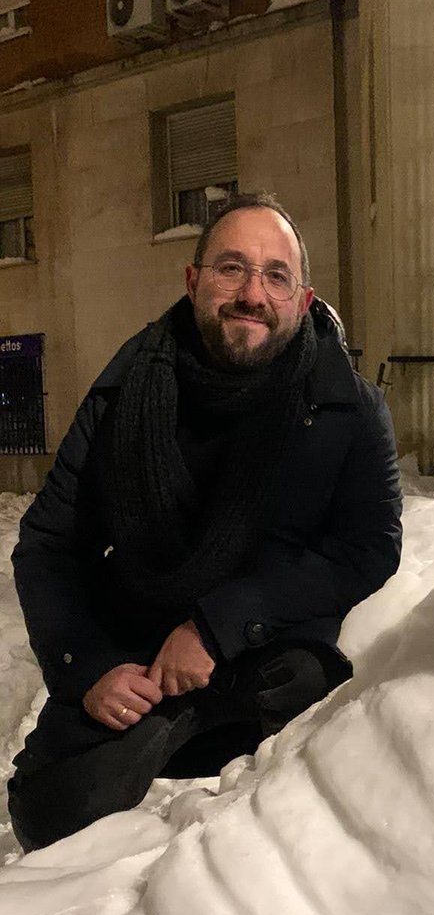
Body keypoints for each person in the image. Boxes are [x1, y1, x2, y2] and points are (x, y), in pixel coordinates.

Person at [7, 192, 402, 852]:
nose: (253, 292)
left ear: (301, 301)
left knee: (308, 702)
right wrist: (91, 668)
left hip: (264, 651)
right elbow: (49, 543)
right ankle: (163, 733)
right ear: (193, 282)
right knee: (51, 813)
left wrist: (217, 628)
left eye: (276, 275)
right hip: (136, 648)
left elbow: (368, 547)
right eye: (231, 268)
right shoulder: (122, 392)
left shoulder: (348, 408)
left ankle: (193, 741)